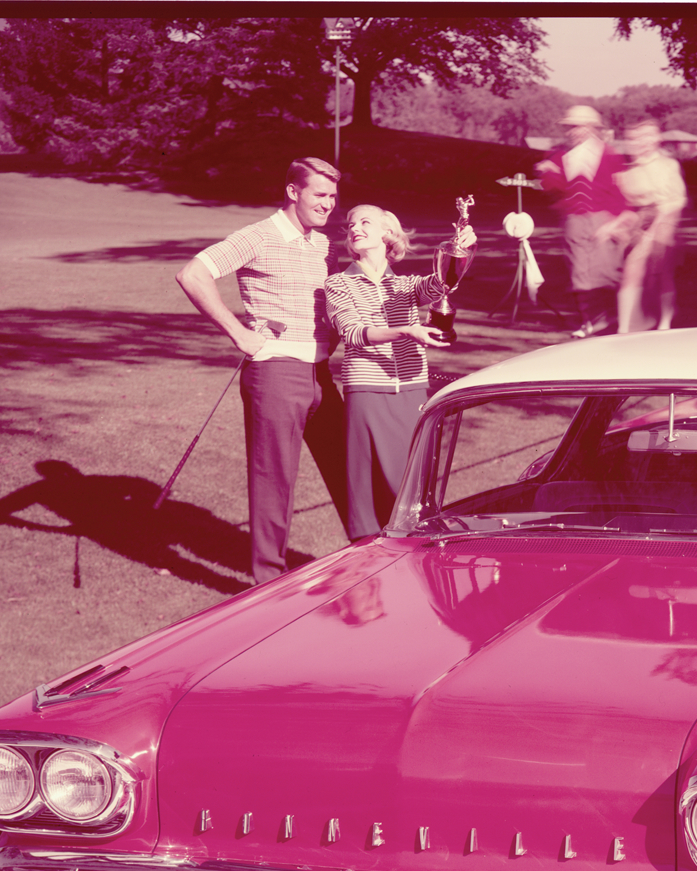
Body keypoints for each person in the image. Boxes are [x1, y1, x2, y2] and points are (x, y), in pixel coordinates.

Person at [175, 156, 350, 586]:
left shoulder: (322, 245)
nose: (328, 204)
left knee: (350, 467)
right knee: (275, 481)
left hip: (321, 372)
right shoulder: (258, 235)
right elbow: (192, 274)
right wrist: (238, 332)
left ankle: (373, 557)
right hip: (276, 374)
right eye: (319, 194)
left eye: (333, 196)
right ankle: (269, 583)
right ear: (293, 192)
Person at [324, 205, 476, 541]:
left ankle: (417, 552)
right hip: (366, 392)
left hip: (412, 391)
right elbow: (353, 333)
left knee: (412, 489)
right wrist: (408, 331)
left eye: (365, 222)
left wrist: (462, 248)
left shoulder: (407, 285)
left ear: (387, 232)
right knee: (367, 491)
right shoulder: (338, 283)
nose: (354, 228)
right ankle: (369, 556)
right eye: (350, 224)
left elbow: (443, 283)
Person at [534, 105, 629, 338]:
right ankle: (589, 321)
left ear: (592, 128)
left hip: (604, 218)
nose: (574, 131)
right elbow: (556, 189)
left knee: (605, 270)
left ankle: (610, 318)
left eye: (579, 126)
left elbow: (620, 190)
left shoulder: (610, 154)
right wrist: (548, 173)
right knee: (580, 272)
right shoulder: (560, 156)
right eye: (570, 127)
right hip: (574, 219)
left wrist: (618, 221)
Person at [603, 118, 688, 333]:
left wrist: (655, 230)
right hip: (641, 217)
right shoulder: (627, 170)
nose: (642, 142)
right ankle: (626, 326)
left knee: (661, 267)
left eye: (649, 136)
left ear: (657, 138)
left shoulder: (667, 165)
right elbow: (629, 205)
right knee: (632, 269)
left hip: (666, 213)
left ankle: (665, 322)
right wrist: (617, 224)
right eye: (635, 138)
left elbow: (675, 200)